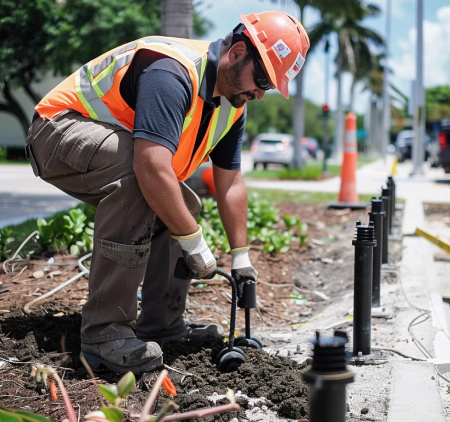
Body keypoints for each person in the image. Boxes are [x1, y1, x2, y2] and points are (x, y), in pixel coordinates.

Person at [25, 10, 310, 375]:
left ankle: (162, 326)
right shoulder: (172, 72)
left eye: (268, 87)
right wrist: (193, 241)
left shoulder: (231, 108)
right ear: (238, 52)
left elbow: (231, 183)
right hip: (56, 131)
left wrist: (241, 256)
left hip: (114, 150)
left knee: (182, 204)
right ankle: (103, 335)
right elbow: (150, 167)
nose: (259, 92)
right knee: (139, 182)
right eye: (261, 78)